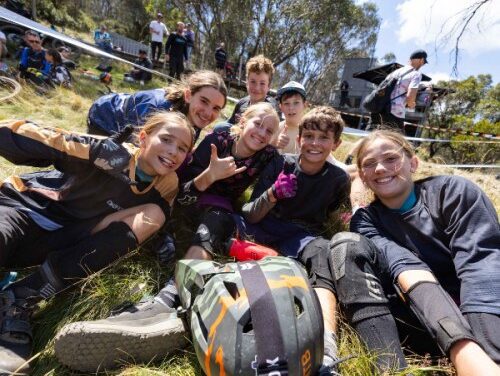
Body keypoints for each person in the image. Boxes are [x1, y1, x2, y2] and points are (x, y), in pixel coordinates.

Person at [53, 102, 281, 372]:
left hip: (219, 208)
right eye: (258, 124)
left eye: (269, 130)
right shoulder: (217, 139)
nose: (262, 133)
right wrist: (211, 174)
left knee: (214, 225)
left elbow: (254, 204)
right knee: (170, 226)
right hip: (187, 196)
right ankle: (170, 296)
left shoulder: (269, 156)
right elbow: (180, 187)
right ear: (243, 121)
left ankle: (167, 300)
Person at [0, 112, 195, 374]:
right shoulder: (110, 151)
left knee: (155, 215)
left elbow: (143, 218)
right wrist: (90, 150)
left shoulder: (167, 185)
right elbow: (8, 134)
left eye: (183, 148)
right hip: (24, 210)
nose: (173, 152)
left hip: (63, 241)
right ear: (144, 137)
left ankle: (20, 299)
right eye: (167, 139)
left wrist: (159, 237)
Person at [334, 130, 500, 374]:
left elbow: (481, 267)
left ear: (413, 163)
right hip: (421, 311)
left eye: (391, 158)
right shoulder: (367, 221)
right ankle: (391, 367)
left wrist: (489, 348)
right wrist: (460, 342)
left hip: (484, 308)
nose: (380, 168)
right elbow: (407, 268)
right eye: (369, 163)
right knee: (344, 245)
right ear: (363, 176)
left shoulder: (453, 193)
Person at [232, 106, 356, 374]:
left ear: (336, 143)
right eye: (309, 136)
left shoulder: (337, 178)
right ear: (299, 139)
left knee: (321, 251)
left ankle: (327, 347)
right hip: (263, 226)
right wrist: (273, 194)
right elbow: (250, 214)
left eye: (324, 138)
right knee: (224, 221)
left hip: (300, 235)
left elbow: (337, 212)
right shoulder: (279, 163)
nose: (314, 143)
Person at [87, 70, 227, 139]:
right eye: (204, 101)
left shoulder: (196, 116)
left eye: (216, 108)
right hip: (105, 116)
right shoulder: (157, 111)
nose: (208, 113)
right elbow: (139, 154)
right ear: (188, 95)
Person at [370, 50, 427, 137]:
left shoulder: (395, 72)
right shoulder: (416, 74)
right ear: (421, 60)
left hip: (380, 108)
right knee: (398, 143)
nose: (422, 65)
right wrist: (412, 104)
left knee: (377, 138)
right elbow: (410, 98)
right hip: (395, 112)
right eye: (423, 63)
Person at [227, 54, 280, 124]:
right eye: (253, 81)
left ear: (269, 86)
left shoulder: (272, 110)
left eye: (262, 83)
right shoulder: (241, 103)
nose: (257, 88)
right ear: (247, 82)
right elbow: (229, 126)